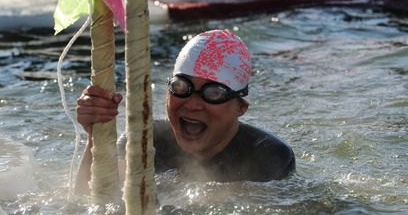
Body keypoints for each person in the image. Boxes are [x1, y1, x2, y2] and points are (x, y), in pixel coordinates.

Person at [75, 29, 295, 190]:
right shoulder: (146, 139)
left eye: (214, 93)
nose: (192, 104)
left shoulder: (267, 156)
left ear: (240, 107)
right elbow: (89, 200)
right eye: (181, 87)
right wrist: (96, 137)